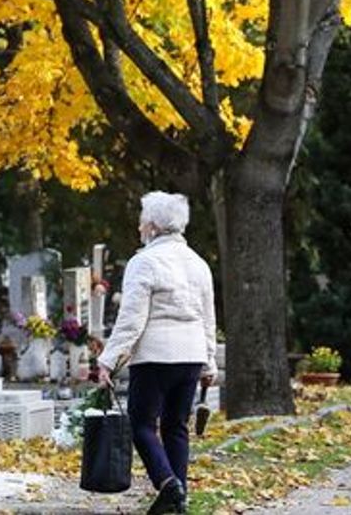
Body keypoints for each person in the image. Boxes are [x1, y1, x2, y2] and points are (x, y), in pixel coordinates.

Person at [94, 191, 217, 515]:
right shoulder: (199, 264)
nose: (138, 226)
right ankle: (180, 497)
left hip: (155, 356)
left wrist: (108, 360)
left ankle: (168, 484)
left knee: (141, 425)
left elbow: (131, 321)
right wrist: (210, 360)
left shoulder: (144, 262)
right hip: (191, 355)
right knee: (176, 426)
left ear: (151, 225)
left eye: (141, 220)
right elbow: (208, 317)